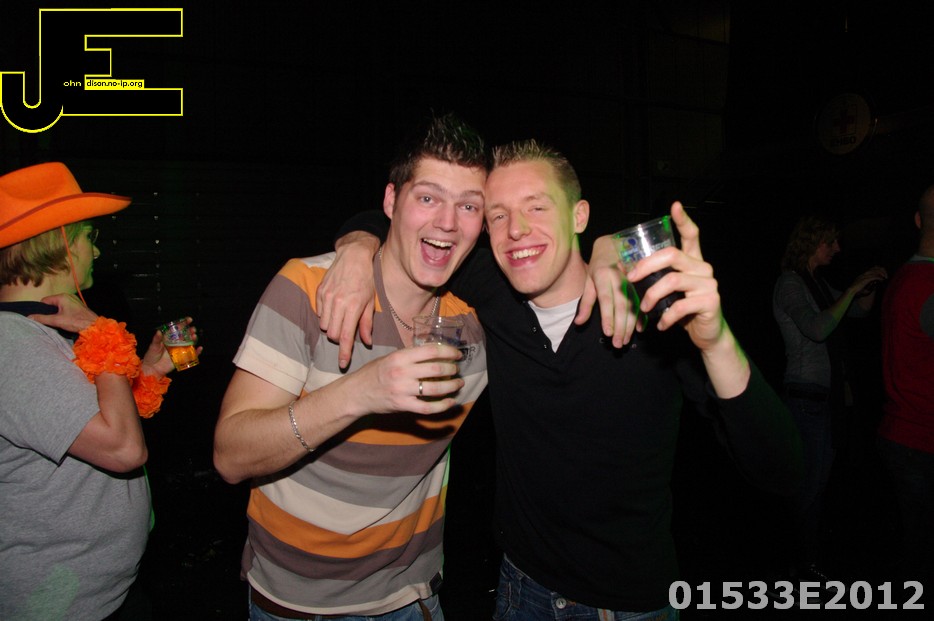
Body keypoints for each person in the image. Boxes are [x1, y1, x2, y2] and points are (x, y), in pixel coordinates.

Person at [319, 139, 803, 619]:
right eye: (498, 216)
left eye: (537, 207)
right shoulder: (492, 291)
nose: (516, 229)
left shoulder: (652, 313)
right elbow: (393, 225)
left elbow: (781, 470)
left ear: (580, 216)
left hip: (629, 604)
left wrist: (716, 342)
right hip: (519, 588)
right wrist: (357, 250)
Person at [213, 113, 490, 620]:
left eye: (468, 206)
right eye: (428, 198)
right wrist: (360, 392)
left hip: (412, 599)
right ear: (391, 202)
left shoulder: (473, 327)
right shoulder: (308, 289)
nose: (448, 222)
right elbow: (231, 456)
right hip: (295, 604)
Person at [0, 162, 190, 620]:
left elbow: (87, 420)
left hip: (100, 591)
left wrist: (147, 371)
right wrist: (102, 331)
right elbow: (122, 449)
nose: (97, 251)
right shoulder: (12, 345)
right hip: (58, 602)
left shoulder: (43, 332)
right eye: (89, 236)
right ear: (59, 242)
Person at [772, 215, 886, 582]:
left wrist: (867, 287)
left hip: (823, 400)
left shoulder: (816, 282)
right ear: (811, 242)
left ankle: (805, 560)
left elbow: (857, 311)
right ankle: (796, 563)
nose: (837, 249)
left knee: (817, 487)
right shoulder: (790, 283)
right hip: (806, 399)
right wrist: (852, 289)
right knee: (809, 488)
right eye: (830, 242)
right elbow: (818, 328)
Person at [876, 185, 934, 584]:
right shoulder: (928, 283)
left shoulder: (903, 277)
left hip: (901, 432)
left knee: (916, 548)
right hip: (922, 440)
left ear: (917, 221)